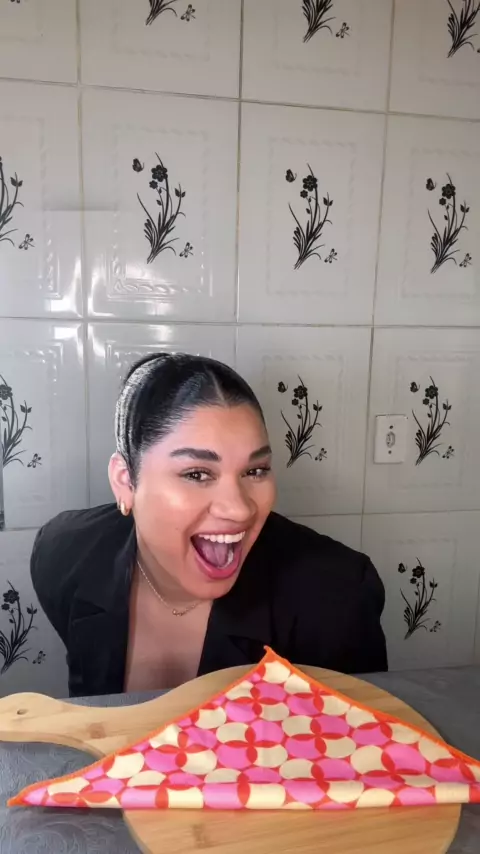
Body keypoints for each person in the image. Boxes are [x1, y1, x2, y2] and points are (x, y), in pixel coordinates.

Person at [31, 353, 387, 698]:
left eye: (255, 471)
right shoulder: (66, 554)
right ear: (125, 481)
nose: (239, 509)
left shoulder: (335, 596)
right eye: (197, 474)